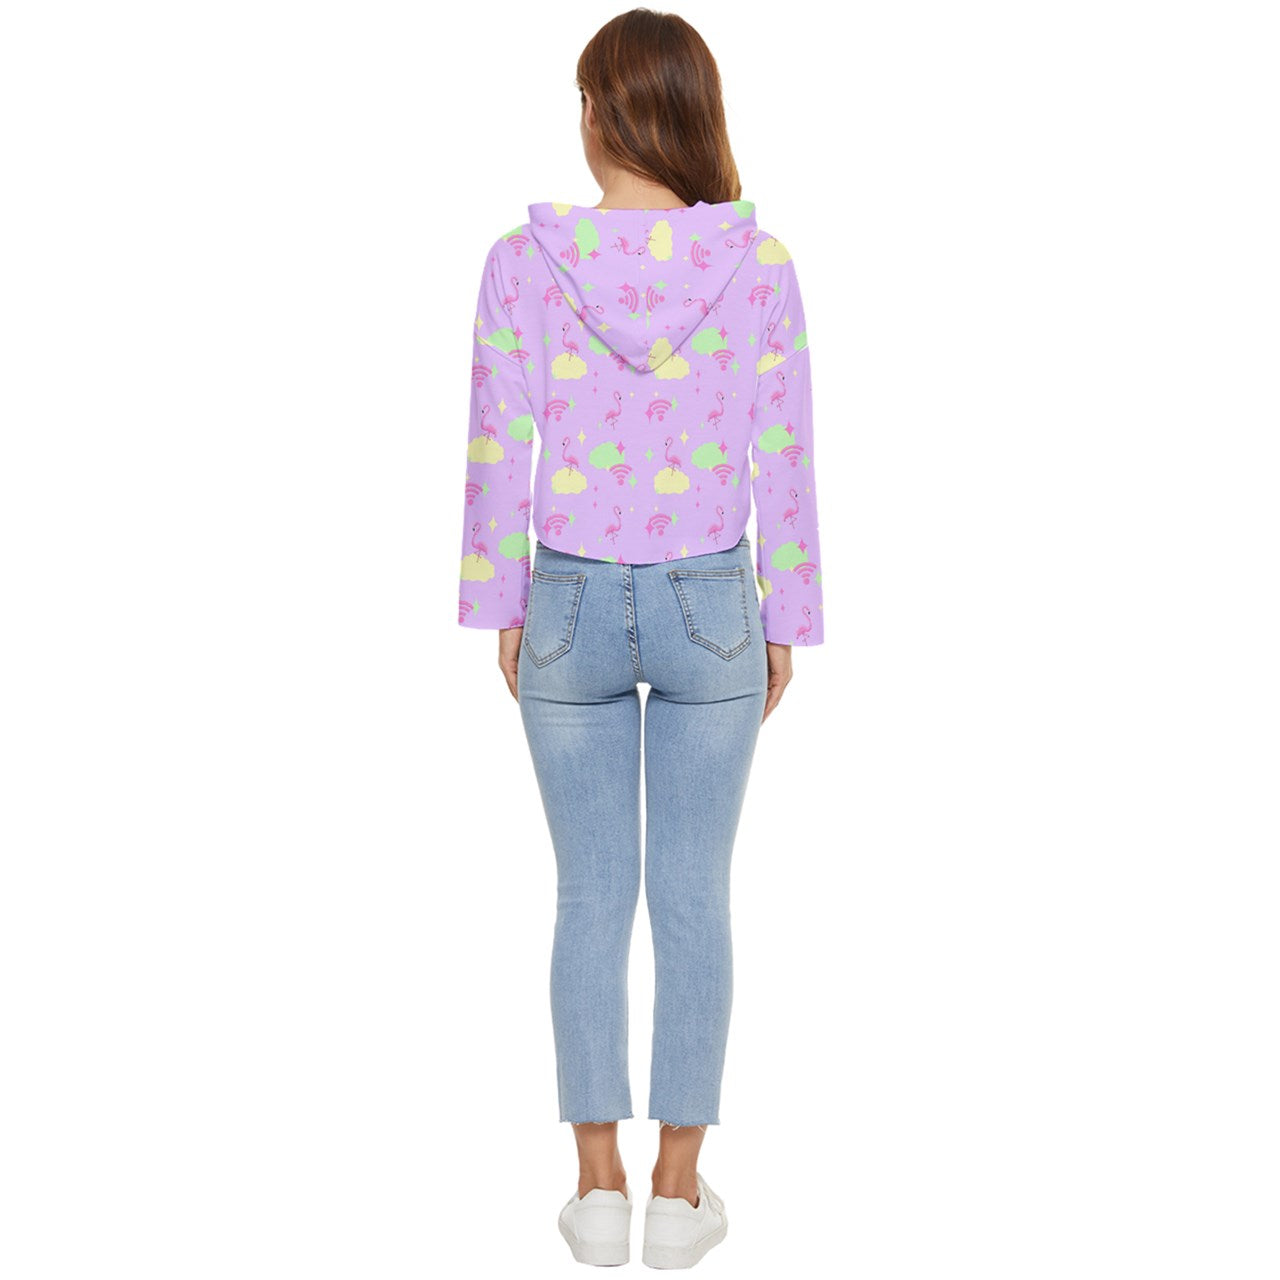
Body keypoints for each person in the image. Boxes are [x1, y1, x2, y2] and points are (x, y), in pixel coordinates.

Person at [455, 9, 825, 1268]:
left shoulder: (522, 262)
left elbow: (497, 439)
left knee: (586, 895)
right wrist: (787, 617)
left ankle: (595, 1186)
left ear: (597, 114)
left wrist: (504, 602)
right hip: (711, 599)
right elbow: (783, 450)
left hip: (565, 597)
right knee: (692, 895)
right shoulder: (756, 265)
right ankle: (677, 1190)